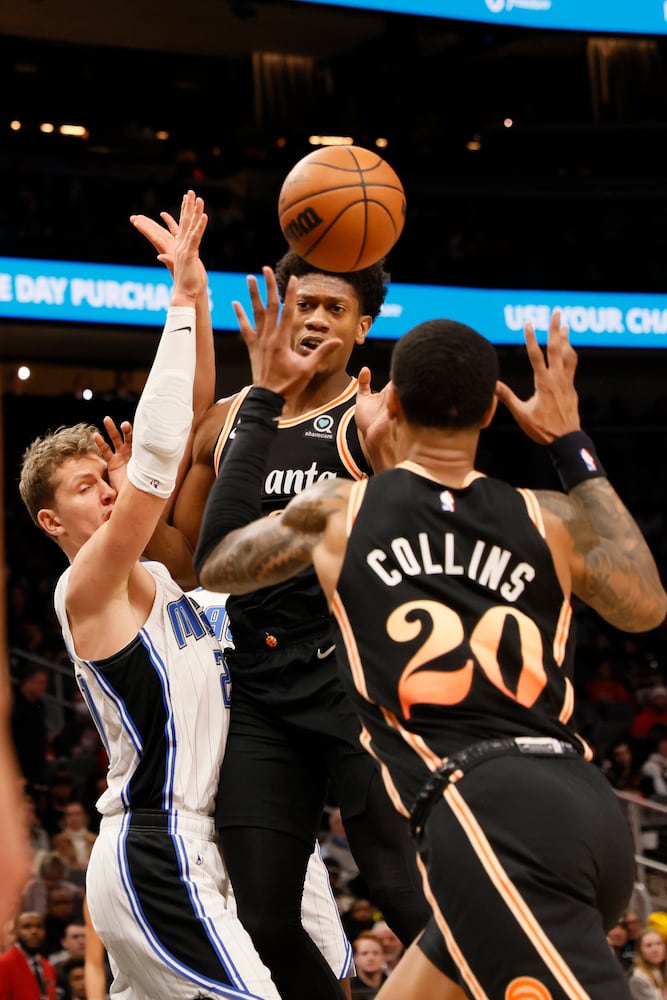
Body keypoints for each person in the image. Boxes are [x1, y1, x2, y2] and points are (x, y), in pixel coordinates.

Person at [194, 297, 667, 999]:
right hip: (577, 802)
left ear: (388, 403)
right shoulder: (549, 516)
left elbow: (217, 563)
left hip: (488, 815)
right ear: (487, 414)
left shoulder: (338, 512)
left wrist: (264, 396)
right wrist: (569, 441)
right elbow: (645, 603)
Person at [130, 211, 431, 1000]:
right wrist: (126, 511)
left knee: (404, 897)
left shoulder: (370, 420)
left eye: (336, 309)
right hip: (259, 688)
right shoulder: (229, 421)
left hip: (355, 683)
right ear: (276, 310)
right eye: (304, 303)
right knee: (262, 918)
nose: (316, 319)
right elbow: (193, 565)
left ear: (363, 328)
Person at [17, 191, 283, 1000]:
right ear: (51, 517)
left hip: (199, 848)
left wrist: (198, 297)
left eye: (111, 477)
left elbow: (188, 423)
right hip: (156, 848)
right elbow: (163, 450)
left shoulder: (167, 579)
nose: (111, 490)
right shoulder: (84, 589)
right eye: (91, 485)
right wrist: (181, 299)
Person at [0, 911, 58, 999]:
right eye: (27, 927)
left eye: (39, 927)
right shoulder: (3, 964)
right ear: (16, 931)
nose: (34, 931)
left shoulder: (48, 966)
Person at [628, 928, 667, 999]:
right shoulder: (637, 978)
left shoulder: (662, 971)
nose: (655, 949)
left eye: (659, 943)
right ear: (640, 951)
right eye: (649, 945)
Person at [349, 933, 388, 998]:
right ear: (355, 958)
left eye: (376, 953)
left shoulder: (393, 983)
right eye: (364, 953)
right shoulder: (348, 988)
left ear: (384, 957)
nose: (370, 958)